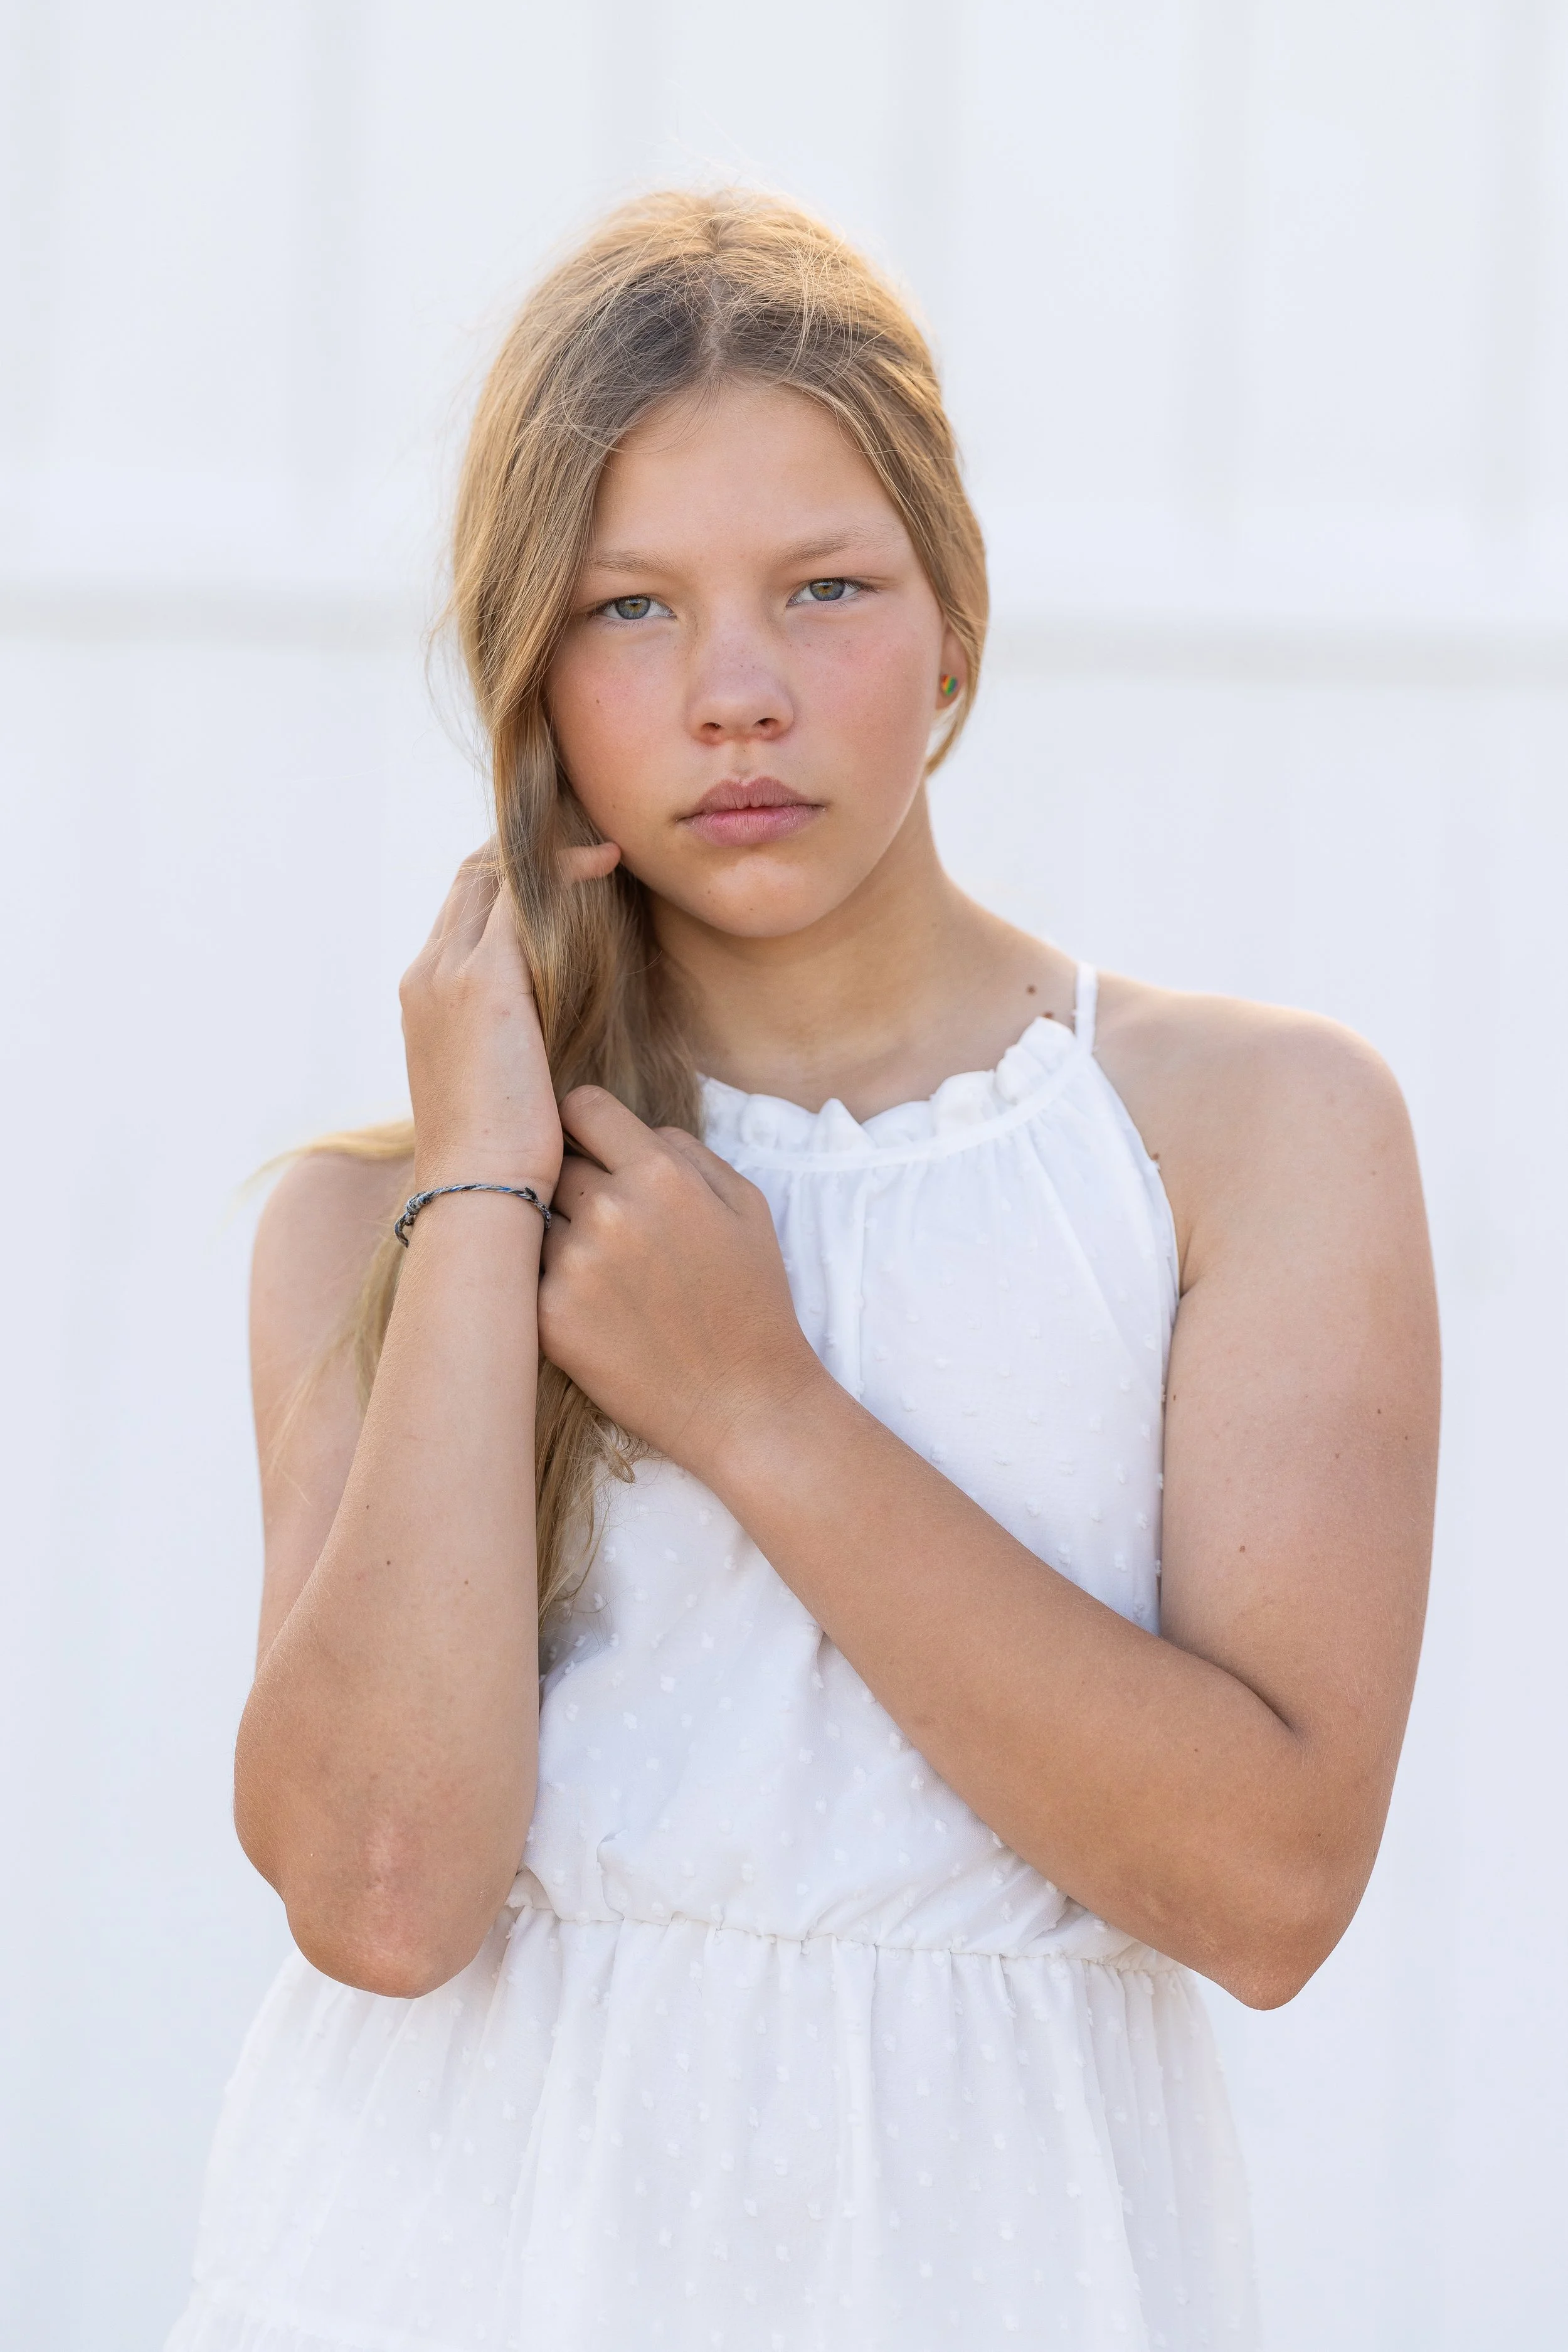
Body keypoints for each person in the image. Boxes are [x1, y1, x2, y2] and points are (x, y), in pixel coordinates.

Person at [165, 189, 1439, 2352]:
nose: (734, 695)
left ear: (952, 612)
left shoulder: (1244, 1139)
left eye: (822, 588)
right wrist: (485, 1194)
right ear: (528, 669)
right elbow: (382, 1902)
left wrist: (758, 1406)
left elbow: (1265, 1888)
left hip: (999, 2274)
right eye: (631, 607)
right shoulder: (369, 1225)